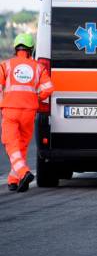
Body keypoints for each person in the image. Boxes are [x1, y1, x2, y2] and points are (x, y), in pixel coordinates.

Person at [0, 33, 54, 192]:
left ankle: (23, 173)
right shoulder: (38, 67)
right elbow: (49, 88)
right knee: (21, 145)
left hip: (10, 110)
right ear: (31, 49)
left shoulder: (6, 65)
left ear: (16, 48)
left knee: (11, 144)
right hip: (29, 112)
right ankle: (13, 180)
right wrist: (37, 99)